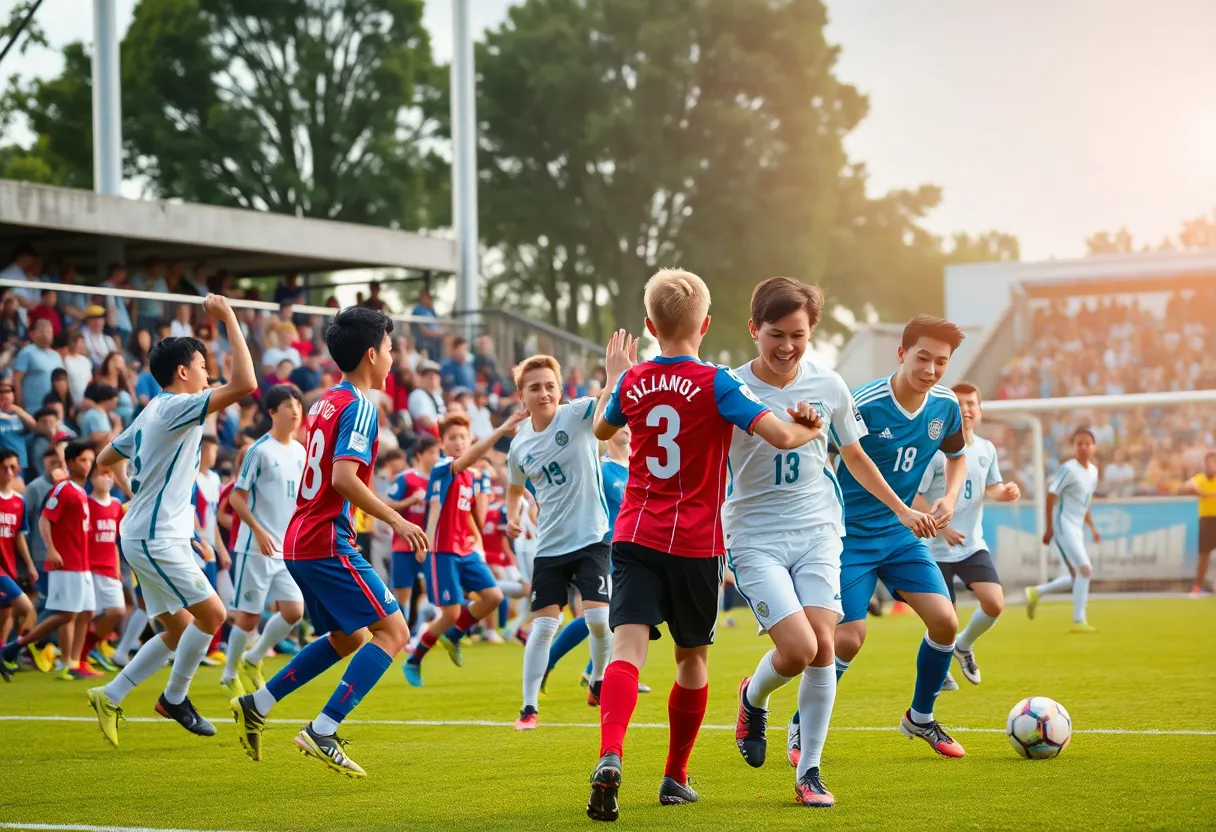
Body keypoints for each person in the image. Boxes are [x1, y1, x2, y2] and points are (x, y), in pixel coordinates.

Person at [585, 269, 823, 822]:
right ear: (706, 324)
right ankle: (675, 776)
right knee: (691, 659)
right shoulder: (717, 382)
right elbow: (784, 436)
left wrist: (614, 376)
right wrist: (812, 426)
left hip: (636, 533)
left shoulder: (633, 380)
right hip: (695, 542)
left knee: (626, 652)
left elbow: (601, 430)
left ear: (649, 325)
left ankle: (610, 754)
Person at [725, 278, 937, 806]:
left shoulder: (830, 386)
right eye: (776, 334)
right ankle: (753, 699)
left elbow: (856, 456)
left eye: (798, 334)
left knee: (824, 647)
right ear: (754, 330)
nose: (787, 346)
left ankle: (810, 772)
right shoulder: (729, 387)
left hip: (819, 530)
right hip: (755, 537)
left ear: (812, 331)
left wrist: (904, 509)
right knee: (796, 650)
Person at [229, 306, 428, 777]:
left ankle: (258, 701)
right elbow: (342, 478)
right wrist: (394, 518)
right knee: (395, 633)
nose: (393, 357)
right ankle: (323, 728)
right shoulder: (360, 405)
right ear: (371, 353)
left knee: (347, 637)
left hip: (301, 537)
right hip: (325, 538)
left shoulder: (324, 401)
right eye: (390, 348)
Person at [84, 294, 258, 747]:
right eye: (202, 365)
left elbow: (105, 457)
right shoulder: (177, 406)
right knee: (214, 614)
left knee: (180, 629)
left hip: (150, 533)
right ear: (183, 372)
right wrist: (230, 319)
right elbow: (245, 383)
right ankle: (174, 699)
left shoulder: (151, 410)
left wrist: (134, 492)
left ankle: (111, 693)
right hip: (154, 537)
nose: (208, 373)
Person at [803, 315, 968, 761]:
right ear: (901, 353)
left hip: (901, 535)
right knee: (848, 639)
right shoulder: (863, 404)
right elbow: (827, 457)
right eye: (922, 358)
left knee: (946, 622)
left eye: (941, 362)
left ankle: (920, 716)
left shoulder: (946, 406)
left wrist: (949, 498)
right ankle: (802, 727)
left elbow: (957, 457)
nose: (931, 370)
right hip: (848, 537)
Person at [504, 355, 612, 731]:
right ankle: (528, 708)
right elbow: (515, 488)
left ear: (560, 388)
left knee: (598, 618)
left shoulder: (578, 414)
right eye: (534, 387)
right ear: (522, 395)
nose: (544, 392)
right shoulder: (519, 446)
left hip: (592, 538)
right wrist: (512, 514)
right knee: (543, 628)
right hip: (549, 546)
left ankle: (599, 680)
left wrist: (615, 373)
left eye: (550, 385)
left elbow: (609, 401)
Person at [914, 382, 1020, 690]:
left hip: (972, 544)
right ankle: (940, 667)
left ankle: (963, 647)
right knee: (945, 619)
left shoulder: (986, 449)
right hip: (935, 548)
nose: (966, 409)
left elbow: (992, 487)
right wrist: (941, 527)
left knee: (994, 603)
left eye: (971, 404)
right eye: (959, 404)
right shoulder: (935, 452)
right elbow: (914, 497)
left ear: (980, 410)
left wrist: (1006, 492)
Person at [402, 412, 521, 687]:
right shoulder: (444, 466)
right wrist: (426, 542)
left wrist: (477, 541)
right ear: (443, 443)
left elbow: (468, 515)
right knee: (451, 612)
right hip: (442, 551)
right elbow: (434, 508)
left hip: (466, 550)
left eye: (462, 437)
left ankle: (453, 636)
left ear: (470, 439)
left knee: (493, 597)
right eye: (452, 438)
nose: (458, 442)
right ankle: (414, 659)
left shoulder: (472, 476)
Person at [222, 384, 307, 697]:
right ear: (272, 412)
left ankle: (254, 658)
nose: (295, 409)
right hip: (256, 548)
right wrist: (258, 531)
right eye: (287, 404)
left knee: (294, 611)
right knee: (249, 615)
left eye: (297, 403)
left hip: (287, 549)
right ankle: (229, 673)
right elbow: (236, 498)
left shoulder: (301, 451)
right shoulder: (258, 451)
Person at [2, 441, 97, 681]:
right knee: (66, 614)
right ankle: (16, 646)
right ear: (72, 462)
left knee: (85, 612)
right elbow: (45, 518)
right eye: (84, 460)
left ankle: (74, 662)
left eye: (90, 460)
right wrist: (51, 549)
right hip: (67, 563)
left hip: (82, 563)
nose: (89, 465)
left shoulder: (80, 491)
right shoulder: (63, 488)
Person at [1025, 429, 1101, 631]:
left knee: (1077, 575)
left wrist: (1092, 527)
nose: (1083, 447)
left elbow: (1085, 502)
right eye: (1079, 444)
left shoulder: (1093, 472)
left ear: (1094, 447)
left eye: (1087, 443)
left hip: (1077, 527)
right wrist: (1049, 528)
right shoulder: (1068, 469)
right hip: (1063, 524)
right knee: (1085, 570)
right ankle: (1079, 621)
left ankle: (1037, 592)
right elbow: (1051, 496)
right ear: (1074, 447)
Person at [387, 434, 439, 634]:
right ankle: (401, 634)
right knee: (403, 592)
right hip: (403, 544)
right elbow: (388, 505)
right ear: (420, 454)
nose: (436, 456)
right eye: (432, 452)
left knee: (429, 590)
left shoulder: (438, 481)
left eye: (437, 452)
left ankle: (419, 632)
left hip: (429, 544)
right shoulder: (406, 478)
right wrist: (411, 501)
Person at [85, 466, 126, 674]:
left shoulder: (117, 505)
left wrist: (117, 567)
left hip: (110, 568)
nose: (107, 478)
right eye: (102, 474)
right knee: (88, 614)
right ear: (91, 478)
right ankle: (81, 654)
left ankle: (91, 646)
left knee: (116, 610)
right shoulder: (86, 504)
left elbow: (114, 542)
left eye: (110, 474)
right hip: (90, 568)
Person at [0, 449, 36, 681]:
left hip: (9, 567)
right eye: (5, 467)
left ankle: (4, 652)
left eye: (14, 467)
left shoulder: (18, 501)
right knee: (27, 608)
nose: (10, 472)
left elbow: (19, 536)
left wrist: (30, 565)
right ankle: (8, 652)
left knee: (7, 615)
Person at [1182, 451, 1216, 595]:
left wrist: (1206, 495)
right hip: (1207, 520)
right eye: (1209, 462)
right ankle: (1197, 586)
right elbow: (1186, 487)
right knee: (1203, 556)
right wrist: (1203, 493)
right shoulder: (1201, 479)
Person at [13, 318, 64, 410]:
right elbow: (17, 379)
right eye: (41, 332)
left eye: (49, 332)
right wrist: (19, 403)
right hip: (33, 407)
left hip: (54, 408)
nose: (45, 335)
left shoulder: (57, 356)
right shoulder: (27, 352)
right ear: (33, 334)